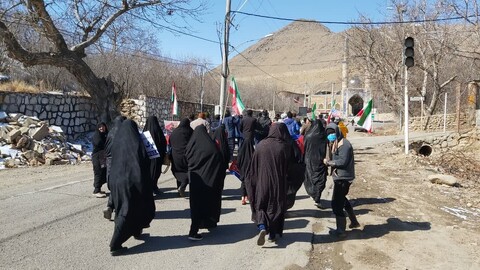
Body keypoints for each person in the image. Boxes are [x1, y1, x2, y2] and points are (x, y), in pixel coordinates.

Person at [109, 119, 155, 255]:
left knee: (123, 208)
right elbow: (145, 161)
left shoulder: (117, 142)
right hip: (131, 181)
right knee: (127, 210)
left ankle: (136, 230)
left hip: (115, 181)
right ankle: (115, 244)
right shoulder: (138, 142)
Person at [245, 123, 292, 245]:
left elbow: (253, 167)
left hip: (262, 181)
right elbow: (289, 167)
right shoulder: (283, 146)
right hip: (278, 183)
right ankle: (272, 235)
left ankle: (262, 227)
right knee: (275, 207)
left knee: (261, 205)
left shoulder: (261, 145)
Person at [185, 125, 226, 241]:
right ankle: (194, 231)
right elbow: (218, 161)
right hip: (209, 180)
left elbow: (186, 159)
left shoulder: (191, 146)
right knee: (207, 203)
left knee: (196, 206)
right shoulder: (211, 147)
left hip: (195, 181)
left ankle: (197, 227)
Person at [324, 123, 360, 238]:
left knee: (336, 204)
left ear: (338, 132)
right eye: (329, 134)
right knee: (342, 199)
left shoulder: (344, 145)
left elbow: (343, 162)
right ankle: (354, 221)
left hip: (343, 178)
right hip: (340, 177)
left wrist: (328, 163)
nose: (331, 136)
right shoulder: (336, 143)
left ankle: (341, 230)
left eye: (332, 134)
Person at [103, 115, 126, 220]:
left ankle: (110, 206)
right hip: (120, 161)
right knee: (121, 185)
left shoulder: (110, 132)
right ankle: (117, 209)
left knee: (113, 185)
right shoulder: (123, 133)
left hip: (109, 161)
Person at [303, 119, 328, 209]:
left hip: (309, 159)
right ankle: (317, 198)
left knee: (310, 178)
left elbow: (304, 147)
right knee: (320, 179)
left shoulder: (308, 135)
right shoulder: (323, 135)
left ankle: (313, 194)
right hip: (320, 160)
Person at [143, 116, 167, 195]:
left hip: (147, 158)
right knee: (156, 172)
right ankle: (154, 187)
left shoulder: (145, 131)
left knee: (147, 173)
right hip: (157, 158)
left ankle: (148, 188)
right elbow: (163, 142)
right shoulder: (158, 131)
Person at [169, 118, 193, 197]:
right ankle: (183, 184)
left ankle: (179, 188)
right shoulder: (190, 131)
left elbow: (170, 142)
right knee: (187, 171)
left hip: (175, 155)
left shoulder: (174, 132)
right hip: (187, 155)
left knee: (178, 170)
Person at [92, 122, 108, 198]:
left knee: (103, 172)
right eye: (100, 127)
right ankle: (96, 190)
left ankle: (99, 188)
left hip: (103, 156)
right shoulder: (97, 135)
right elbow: (98, 143)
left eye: (103, 126)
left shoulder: (105, 135)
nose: (102, 128)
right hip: (97, 156)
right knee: (98, 172)